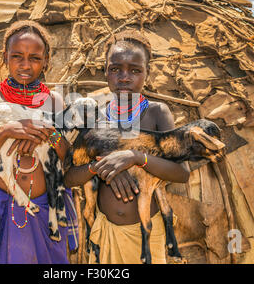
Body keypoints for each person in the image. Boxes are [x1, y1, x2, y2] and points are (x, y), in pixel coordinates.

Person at [64, 30, 190, 264]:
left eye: (135, 70)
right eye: (115, 69)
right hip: (104, 233)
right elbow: (69, 177)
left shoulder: (156, 113)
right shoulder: (95, 117)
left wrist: (134, 157)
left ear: (147, 74)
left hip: (145, 237)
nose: (124, 77)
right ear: (105, 72)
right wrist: (101, 167)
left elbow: (181, 173)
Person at [0, 20, 76, 264]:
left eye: (35, 58)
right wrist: (5, 131)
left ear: (46, 60)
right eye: (17, 56)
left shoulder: (55, 101)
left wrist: (48, 133)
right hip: (2, 211)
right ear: (5, 57)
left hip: (45, 214)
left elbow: (69, 159)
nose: (26, 65)